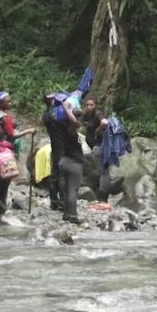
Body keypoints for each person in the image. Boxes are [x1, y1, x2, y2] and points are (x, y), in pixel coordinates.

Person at [56, 95, 85, 224]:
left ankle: (66, 214)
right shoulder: (71, 129)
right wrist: (67, 108)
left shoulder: (60, 127)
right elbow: (74, 122)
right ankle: (72, 215)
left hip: (64, 161)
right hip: (74, 163)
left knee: (66, 189)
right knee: (72, 190)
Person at [82, 96, 112, 202]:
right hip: (94, 146)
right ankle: (101, 195)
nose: (89, 107)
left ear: (96, 106)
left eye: (92, 105)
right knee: (101, 170)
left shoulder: (98, 114)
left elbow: (105, 122)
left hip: (100, 145)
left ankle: (103, 197)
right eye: (87, 105)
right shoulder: (87, 116)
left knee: (104, 171)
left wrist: (97, 131)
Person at [42, 93, 66, 210]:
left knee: (54, 174)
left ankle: (53, 201)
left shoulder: (46, 115)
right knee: (62, 175)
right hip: (62, 147)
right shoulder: (58, 114)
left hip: (54, 147)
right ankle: (62, 201)